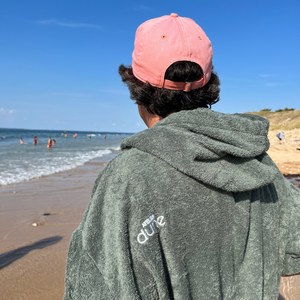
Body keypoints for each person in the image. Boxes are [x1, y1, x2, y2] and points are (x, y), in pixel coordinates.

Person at [64, 14, 300, 300]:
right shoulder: (254, 159)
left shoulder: (125, 178)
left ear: (137, 90)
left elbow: (95, 284)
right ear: (209, 85)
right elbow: (293, 248)